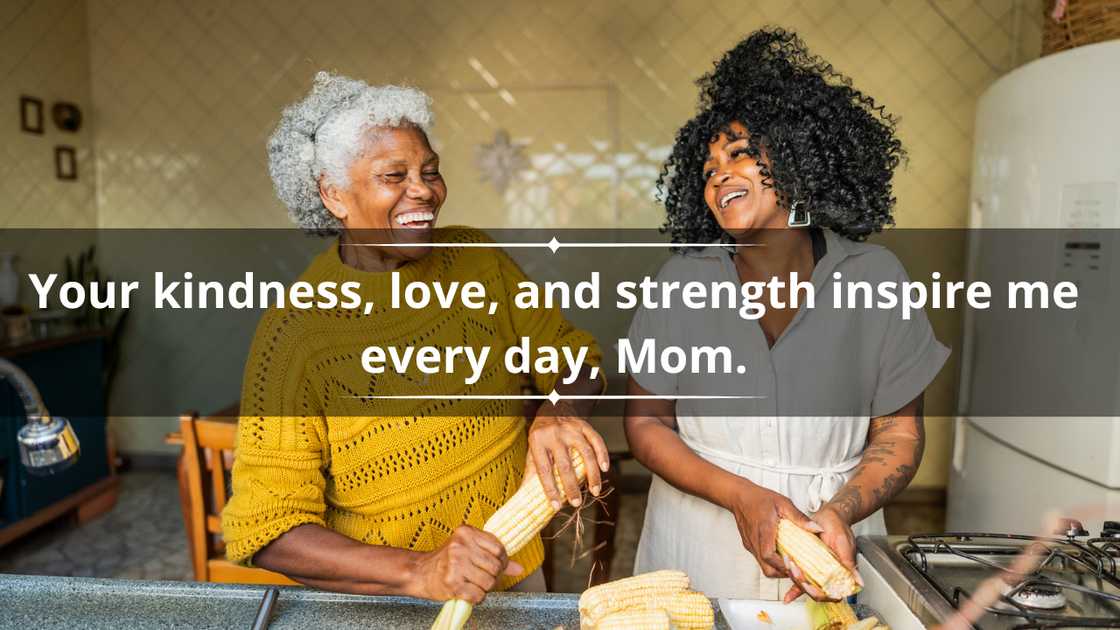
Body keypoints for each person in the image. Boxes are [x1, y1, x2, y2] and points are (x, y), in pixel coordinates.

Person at [221, 71, 608, 604]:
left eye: (430, 171)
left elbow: (576, 358)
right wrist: (420, 572)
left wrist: (560, 411)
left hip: (519, 583)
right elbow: (268, 529)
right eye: (393, 176)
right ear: (334, 195)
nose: (422, 189)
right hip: (383, 604)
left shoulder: (479, 261)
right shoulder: (295, 331)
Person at [623, 29, 949, 601]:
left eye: (739, 154)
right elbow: (646, 423)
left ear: (797, 157)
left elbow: (897, 431)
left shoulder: (876, 278)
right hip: (697, 548)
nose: (718, 174)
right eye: (706, 170)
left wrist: (841, 511)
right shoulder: (680, 282)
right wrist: (741, 498)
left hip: (834, 545)